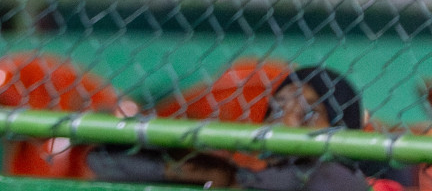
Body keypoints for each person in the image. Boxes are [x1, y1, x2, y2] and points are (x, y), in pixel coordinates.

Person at [89, 66, 415, 191]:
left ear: (342, 128)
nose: (283, 120)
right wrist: (181, 167)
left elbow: (323, 179)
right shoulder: (247, 174)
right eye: (276, 107)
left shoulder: (361, 185)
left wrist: (236, 178)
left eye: (306, 115)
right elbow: (102, 162)